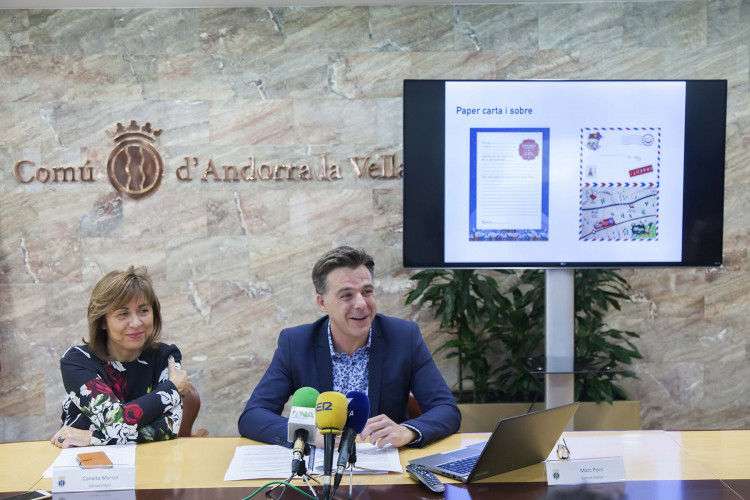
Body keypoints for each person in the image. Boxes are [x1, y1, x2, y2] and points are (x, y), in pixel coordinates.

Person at [238, 246, 461, 448]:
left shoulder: (404, 337)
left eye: (367, 292)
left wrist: (408, 430)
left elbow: (446, 409)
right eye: (347, 295)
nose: (361, 304)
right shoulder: (296, 343)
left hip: (383, 463)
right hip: (319, 465)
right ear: (322, 303)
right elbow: (253, 416)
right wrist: (306, 433)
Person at [51, 266, 192, 448]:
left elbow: (169, 428)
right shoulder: (77, 361)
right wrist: (172, 388)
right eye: (123, 314)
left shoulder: (166, 356)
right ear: (103, 322)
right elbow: (114, 422)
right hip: (84, 462)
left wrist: (92, 438)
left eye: (143, 311)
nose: (136, 323)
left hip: (150, 459)